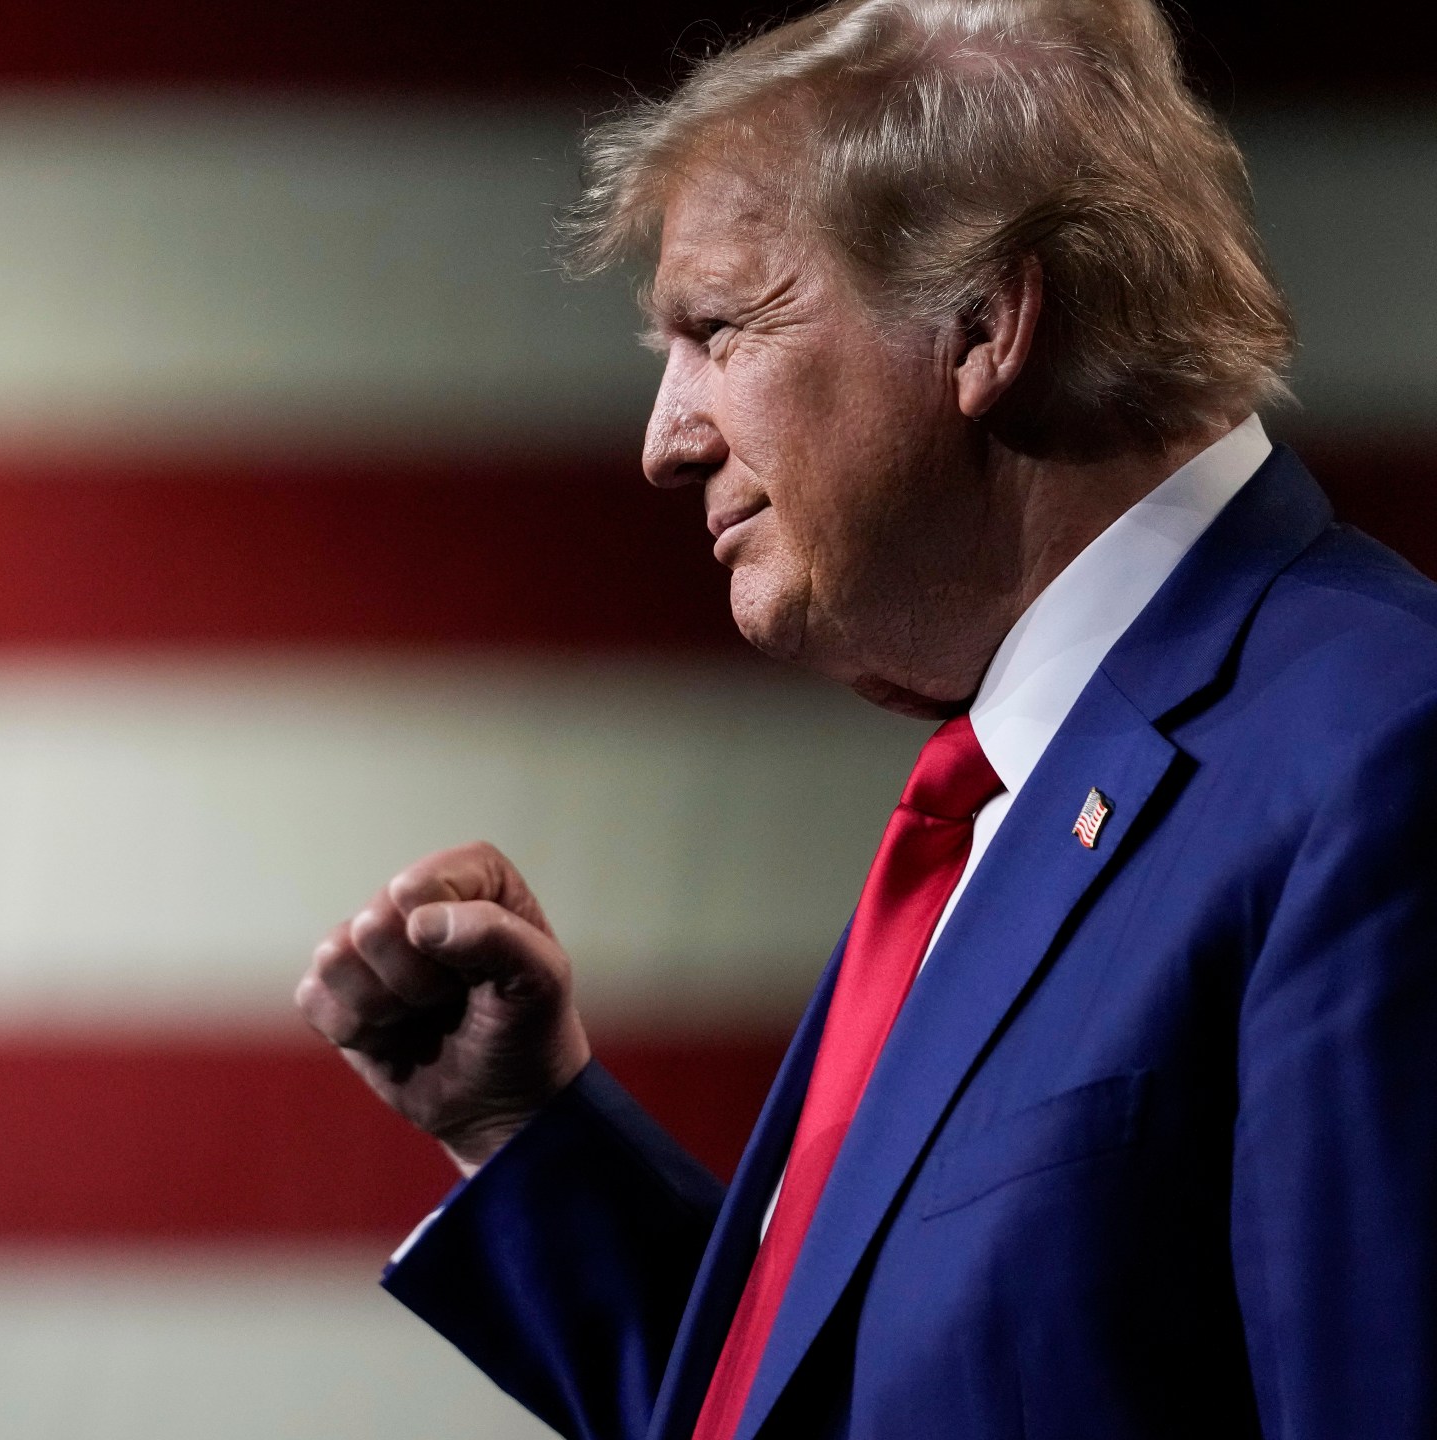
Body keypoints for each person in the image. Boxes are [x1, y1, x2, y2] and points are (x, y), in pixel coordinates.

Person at [292, 2, 1437, 1437]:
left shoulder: (1377, 756)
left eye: (719, 329)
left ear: (983, 324)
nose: (664, 440)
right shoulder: (1010, 790)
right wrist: (522, 1131)